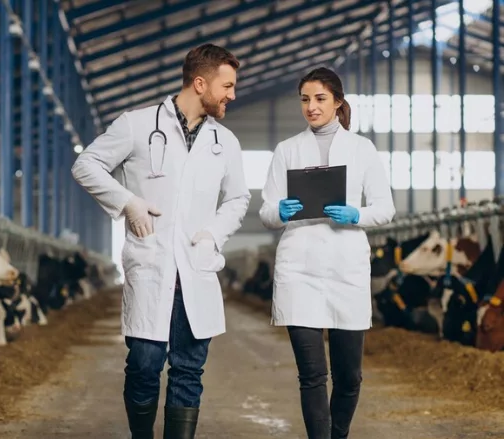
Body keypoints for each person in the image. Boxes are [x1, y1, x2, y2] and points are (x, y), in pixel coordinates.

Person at [71, 43, 250, 438]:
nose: (232, 95)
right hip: (151, 266)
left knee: (188, 371)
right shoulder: (136, 124)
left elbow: (238, 198)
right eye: (228, 86)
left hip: (196, 269)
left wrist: (214, 235)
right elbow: (86, 165)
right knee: (143, 365)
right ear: (200, 83)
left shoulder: (226, 141)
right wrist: (127, 202)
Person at [258, 67, 395, 439]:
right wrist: (279, 211)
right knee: (312, 375)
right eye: (305, 99)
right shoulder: (287, 150)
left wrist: (357, 215)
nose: (311, 107)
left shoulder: (361, 148)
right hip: (299, 269)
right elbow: (266, 210)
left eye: (319, 99)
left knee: (349, 376)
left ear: (337, 102)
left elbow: (385, 208)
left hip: (345, 268)